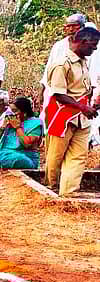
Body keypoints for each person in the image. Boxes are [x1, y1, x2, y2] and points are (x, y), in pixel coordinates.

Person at [44, 27, 99, 196]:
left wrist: (92, 104)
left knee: (78, 156)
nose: (95, 49)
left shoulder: (83, 62)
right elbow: (59, 94)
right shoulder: (61, 64)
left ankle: (69, 191)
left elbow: (82, 91)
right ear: (82, 42)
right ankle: (51, 188)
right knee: (55, 156)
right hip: (63, 116)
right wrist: (83, 107)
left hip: (82, 117)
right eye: (92, 45)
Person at [41, 14, 87, 112]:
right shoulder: (58, 46)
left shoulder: (90, 46)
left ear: (83, 27)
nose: (71, 29)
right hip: (56, 93)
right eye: (68, 26)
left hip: (79, 95)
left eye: (74, 26)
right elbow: (48, 70)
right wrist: (41, 92)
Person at [0, 97, 43, 170]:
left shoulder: (35, 123)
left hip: (24, 157)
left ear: (24, 113)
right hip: (2, 153)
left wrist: (18, 128)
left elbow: (27, 144)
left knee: (18, 158)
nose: (12, 114)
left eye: (15, 111)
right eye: (11, 111)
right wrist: (2, 128)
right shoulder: (10, 120)